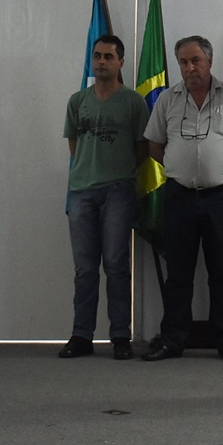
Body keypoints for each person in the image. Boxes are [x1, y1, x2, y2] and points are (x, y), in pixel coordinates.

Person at [141, 36, 223, 362]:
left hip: (220, 198)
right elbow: (154, 144)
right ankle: (172, 339)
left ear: (209, 61)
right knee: (178, 272)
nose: (189, 68)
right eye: (183, 62)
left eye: (195, 60)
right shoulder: (167, 99)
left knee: (222, 270)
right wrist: (178, 167)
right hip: (179, 197)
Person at [60, 35, 149, 360]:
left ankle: (120, 336)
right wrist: (90, 169)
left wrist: (116, 169)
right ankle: (81, 336)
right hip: (81, 192)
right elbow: (74, 144)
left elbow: (143, 148)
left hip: (118, 191)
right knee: (85, 269)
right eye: (97, 56)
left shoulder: (133, 102)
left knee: (116, 265)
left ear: (120, 62)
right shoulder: (77, 101)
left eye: (108, 57)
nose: (101, 61)